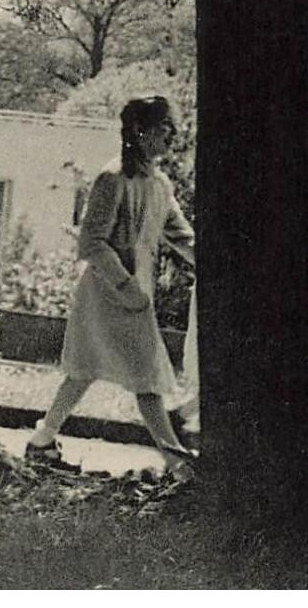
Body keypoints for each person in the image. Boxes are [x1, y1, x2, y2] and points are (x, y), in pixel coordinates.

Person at [25, 95, 196, 476]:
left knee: (102, 371)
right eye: (163, 127)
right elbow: (91, 243)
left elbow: (180, 235)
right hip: (107, 292)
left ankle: (41, 441)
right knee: (138, 376)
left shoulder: (160, 183)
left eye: (172, 127)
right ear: (140, 131)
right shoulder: (113, 178)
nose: (172, 134)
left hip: (136, 295)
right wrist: (125, 283)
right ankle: (176, 462)